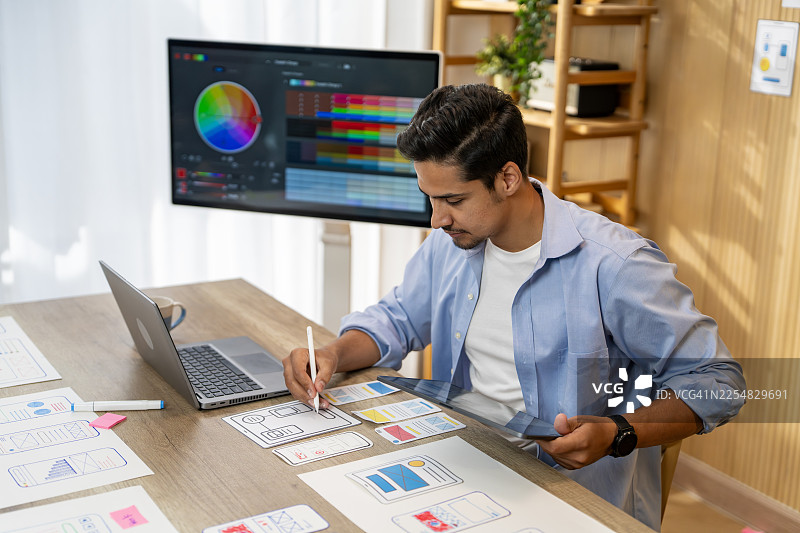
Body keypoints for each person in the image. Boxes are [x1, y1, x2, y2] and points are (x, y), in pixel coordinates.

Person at [282, 83, 745, 530]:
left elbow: (718, 381)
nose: (437, 219)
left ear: (507, 178)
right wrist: (332, 354)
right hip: (468, 467)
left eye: (453, 200)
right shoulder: (455, 240)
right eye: (431, 198)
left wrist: (618, 432)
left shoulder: (615, 264)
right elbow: (397, 319)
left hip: (571, 497)